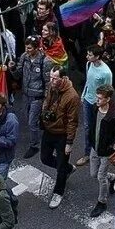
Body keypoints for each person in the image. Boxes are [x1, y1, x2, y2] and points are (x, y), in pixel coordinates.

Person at [39, 65, 80, 209]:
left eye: (55, 78)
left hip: (61, 134)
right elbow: (47, 101)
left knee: (61, 165)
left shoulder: (72, 96)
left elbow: (72, 121)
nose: (52, 81)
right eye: (51, 77)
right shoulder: (52, 87)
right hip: (49, 129)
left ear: (63, 78)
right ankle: (67, 168)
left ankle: (58, 192)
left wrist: (69, 142)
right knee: (45, 158)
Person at [9, 37, 51, 159]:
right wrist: (12, 69)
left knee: (32, 122)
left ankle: (34, 145)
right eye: (26, 47)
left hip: (38, 96)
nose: (27, 50)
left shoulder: (45, 61)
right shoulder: (24, 57)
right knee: (28, 118)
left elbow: (48, 83)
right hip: (26, 94)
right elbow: (18, 75)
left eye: (30, 48)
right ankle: (42, 125)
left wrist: (46, 99)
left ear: (37, 48)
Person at [87, 84, 115, 218]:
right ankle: (113, 178)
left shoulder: (113, 116)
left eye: (100, 98)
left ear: (107, 99)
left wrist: (113, 146)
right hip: (95, 147)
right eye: (97, 98)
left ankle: (102, 201)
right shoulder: (96, 108)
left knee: (100, 177)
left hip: (106, 151)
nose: (97, 101)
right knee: (93, 173)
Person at [76, 44, 113, 167]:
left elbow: (108, 91)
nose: (87, 56)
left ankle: (98, 151)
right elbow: (88, 81)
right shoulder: (89, 64)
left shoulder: (106, 72)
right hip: (88, 100)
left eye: (90, 55)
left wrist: (104, 106)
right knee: (87, 128)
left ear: (97, 56)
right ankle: (88, 153)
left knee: (98, 128)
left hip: (98, 104)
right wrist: (83, 95)